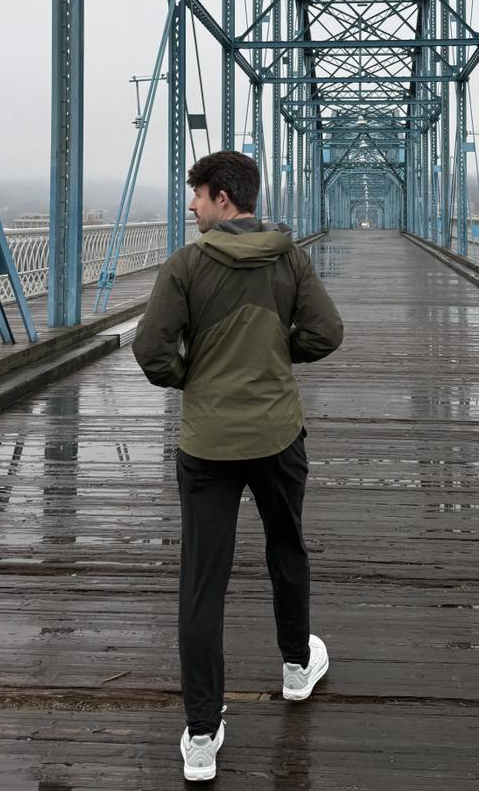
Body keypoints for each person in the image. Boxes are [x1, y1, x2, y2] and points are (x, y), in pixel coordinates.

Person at [132, 150, 343, 782]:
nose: (191, 205)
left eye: (195, 194)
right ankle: (296, 669)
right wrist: (280, 358)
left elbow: (150, 349)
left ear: (222, 198)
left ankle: (201, 735)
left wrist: (190, 375)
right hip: (278, 432)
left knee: (202, 582)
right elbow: (326, 332)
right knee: (287, 550)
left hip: (207, 443)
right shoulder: (290, 257)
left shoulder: (187, 264)